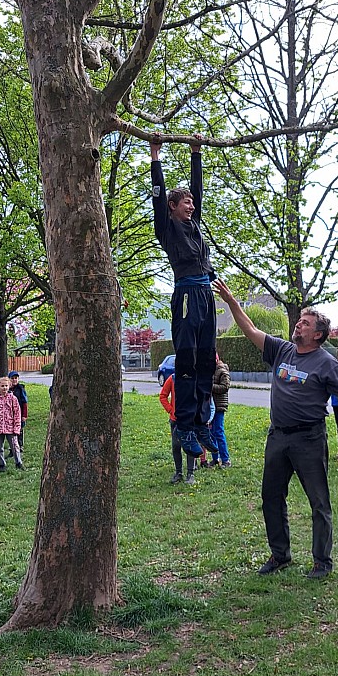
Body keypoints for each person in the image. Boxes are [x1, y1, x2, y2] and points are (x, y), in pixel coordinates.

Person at [214, 278, 338, 579]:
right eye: (299, 321)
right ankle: (280, 555)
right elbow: (250, 329)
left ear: (318, 334)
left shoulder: (327, 363)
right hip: (278, 436)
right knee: (271, 496)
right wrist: (231, 302)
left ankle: (322, 562)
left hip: (309, 438)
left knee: (318, 501)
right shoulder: (282, 350)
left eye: (305, 323)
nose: (298, 325)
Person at [150, 134, 218, 460]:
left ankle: (202, 421)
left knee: (207, 358)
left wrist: (196, 152)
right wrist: (155, 155)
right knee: (188, 359)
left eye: (193, 202)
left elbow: (199, 190)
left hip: (206, 292)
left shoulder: (195, 225)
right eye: (185, 202)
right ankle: (185, 425)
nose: (192, 205)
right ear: (172, 208)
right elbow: (159, 194)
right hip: (187, 293)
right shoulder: (167, 227)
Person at [159, 373, 197, 484]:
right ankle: (178, 472)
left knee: (190, 445)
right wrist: (171, 410)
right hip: (175, 420)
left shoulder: (194, 378)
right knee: (176, 446)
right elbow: (163, 396)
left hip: (190, 419)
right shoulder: (173, 378)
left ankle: (190, 474)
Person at [0, 377, 24, 472]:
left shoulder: (13, 398)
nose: (4, 388)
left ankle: (18, 462)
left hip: (10, 427)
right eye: (2, 386)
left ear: (9, 386)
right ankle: (2, 464)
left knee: (15, 446)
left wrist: (17, 428)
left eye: (6, 386)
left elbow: (17, 414)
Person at [210, 353, 232, 467]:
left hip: (219, 406)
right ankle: (215, 458)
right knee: (212, 433)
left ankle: (225, 459)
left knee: (218, 432)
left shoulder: (222, 370)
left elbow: (225, 387)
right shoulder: (212, 370)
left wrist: (210, 386)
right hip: (211, 406)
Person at [8, 371, 28, 457]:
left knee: (19, 430)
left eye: (16, 378)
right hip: (9, 414)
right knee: (10, 431)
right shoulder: (7, 389)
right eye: (12, 378)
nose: (14, 380)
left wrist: (24, 415)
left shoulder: (20, 389)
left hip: (19, 414)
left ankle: (20, 446)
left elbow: (24, 403)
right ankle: (12, 449)